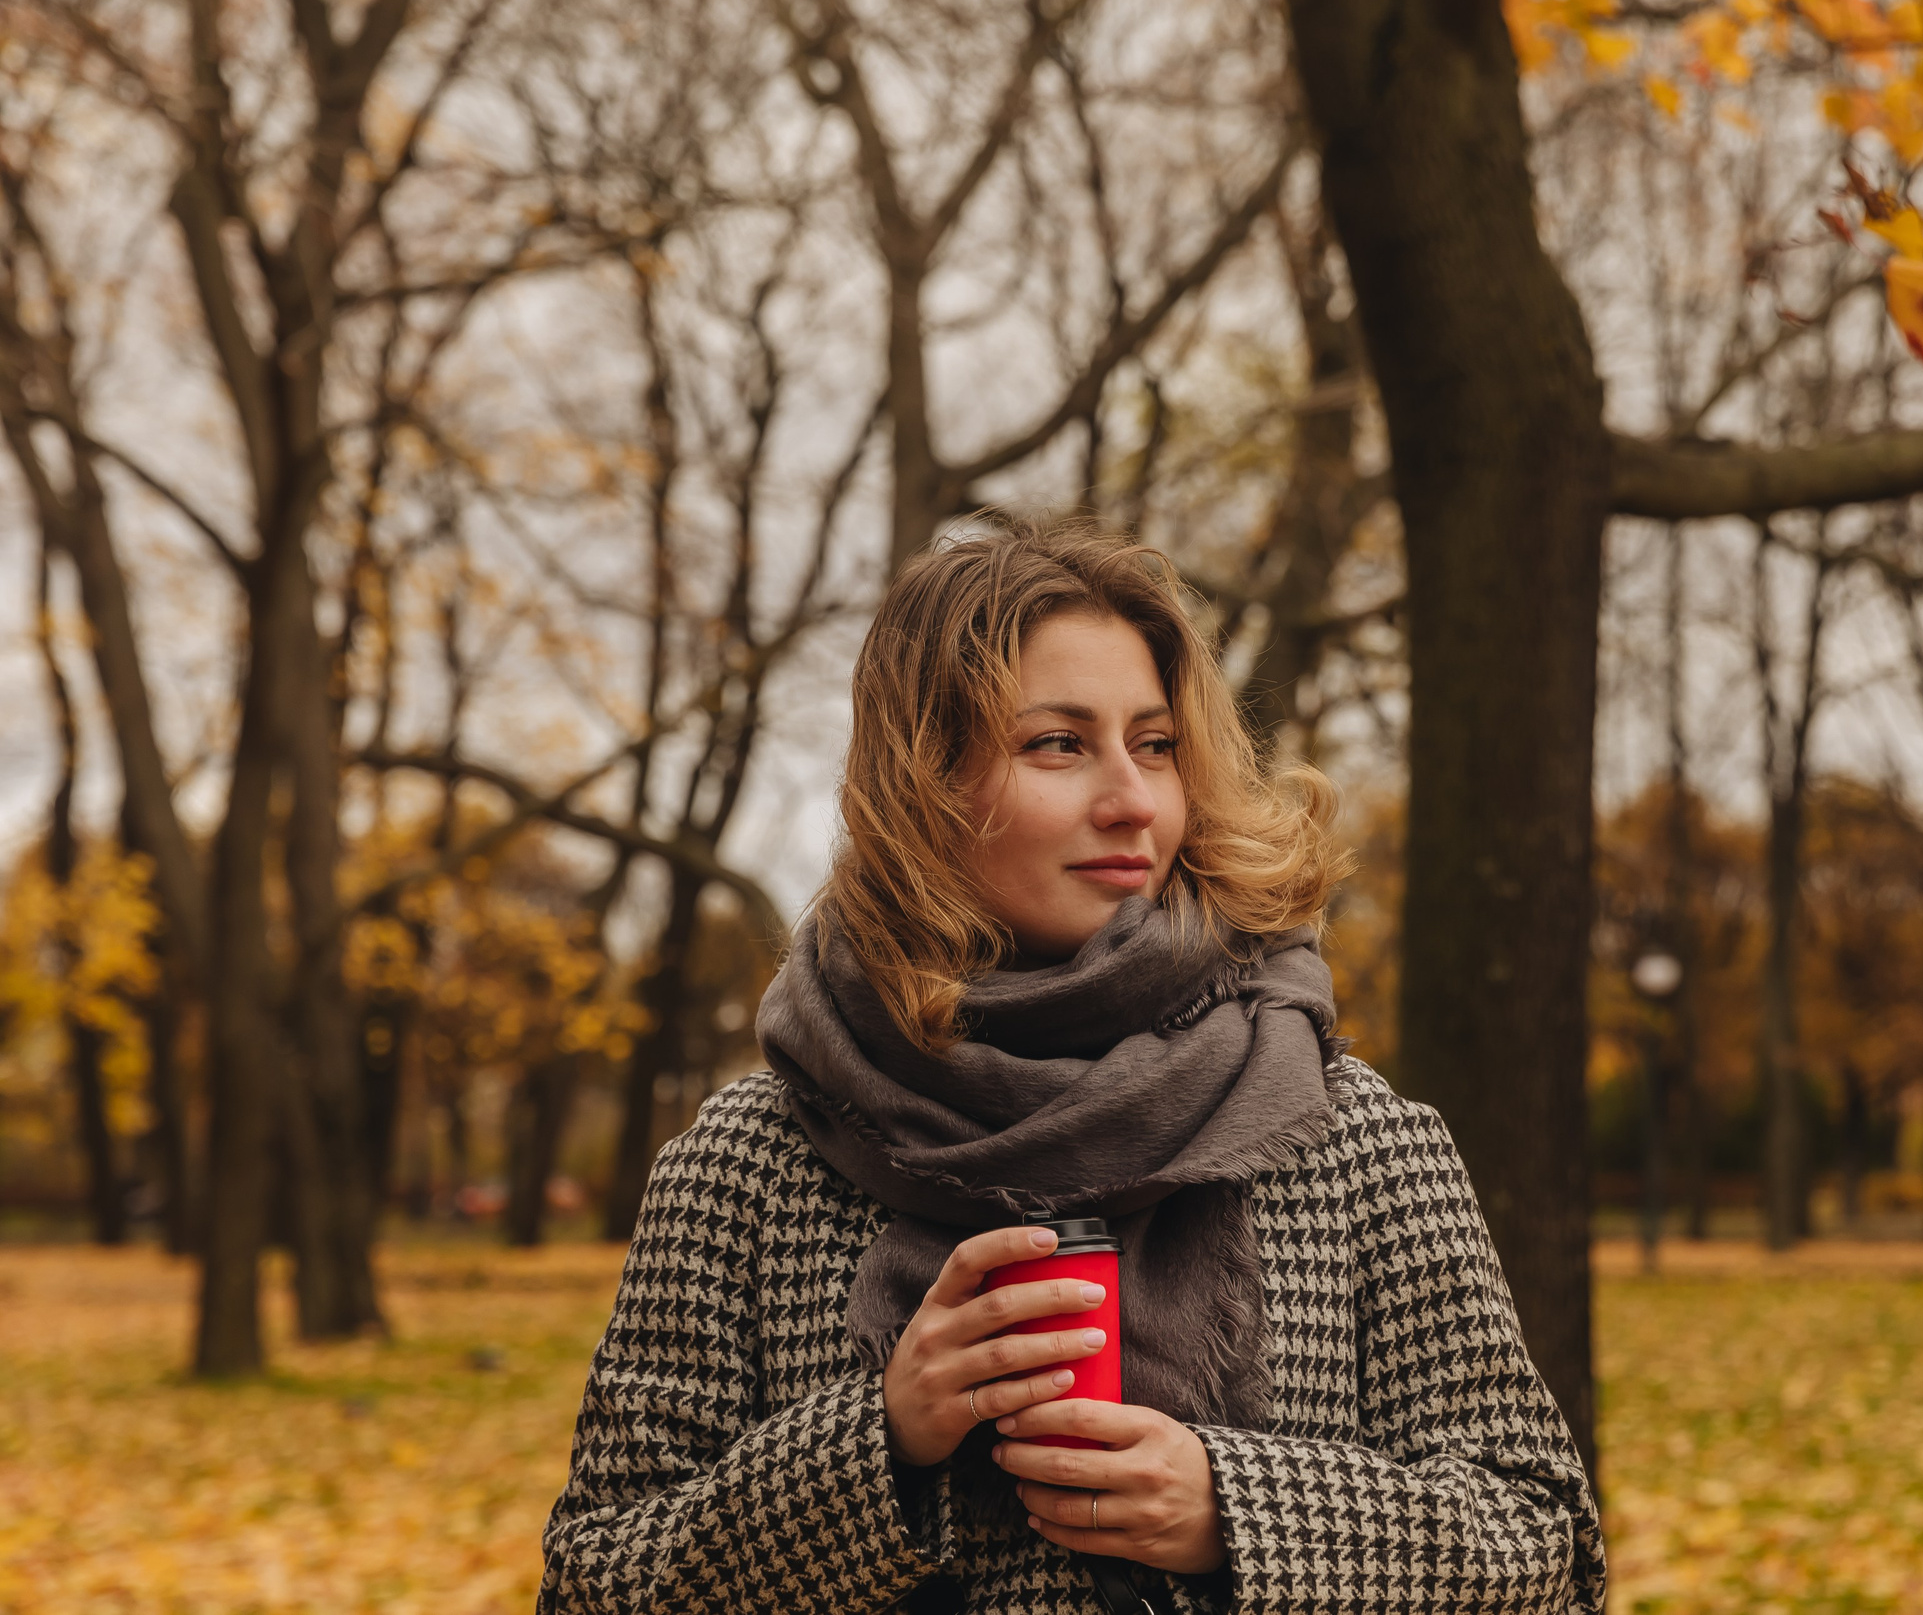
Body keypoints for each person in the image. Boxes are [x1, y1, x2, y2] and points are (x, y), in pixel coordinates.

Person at [540, 521, 1605, 1614]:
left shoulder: (1350, 1134)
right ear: (923, 784)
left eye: (1156, 744)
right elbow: (589, 1584)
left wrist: (1236, 1510)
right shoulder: (748, 1163)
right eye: (1058, 744)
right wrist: (877, 1444)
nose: (1132, 800)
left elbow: (1548, 1552)